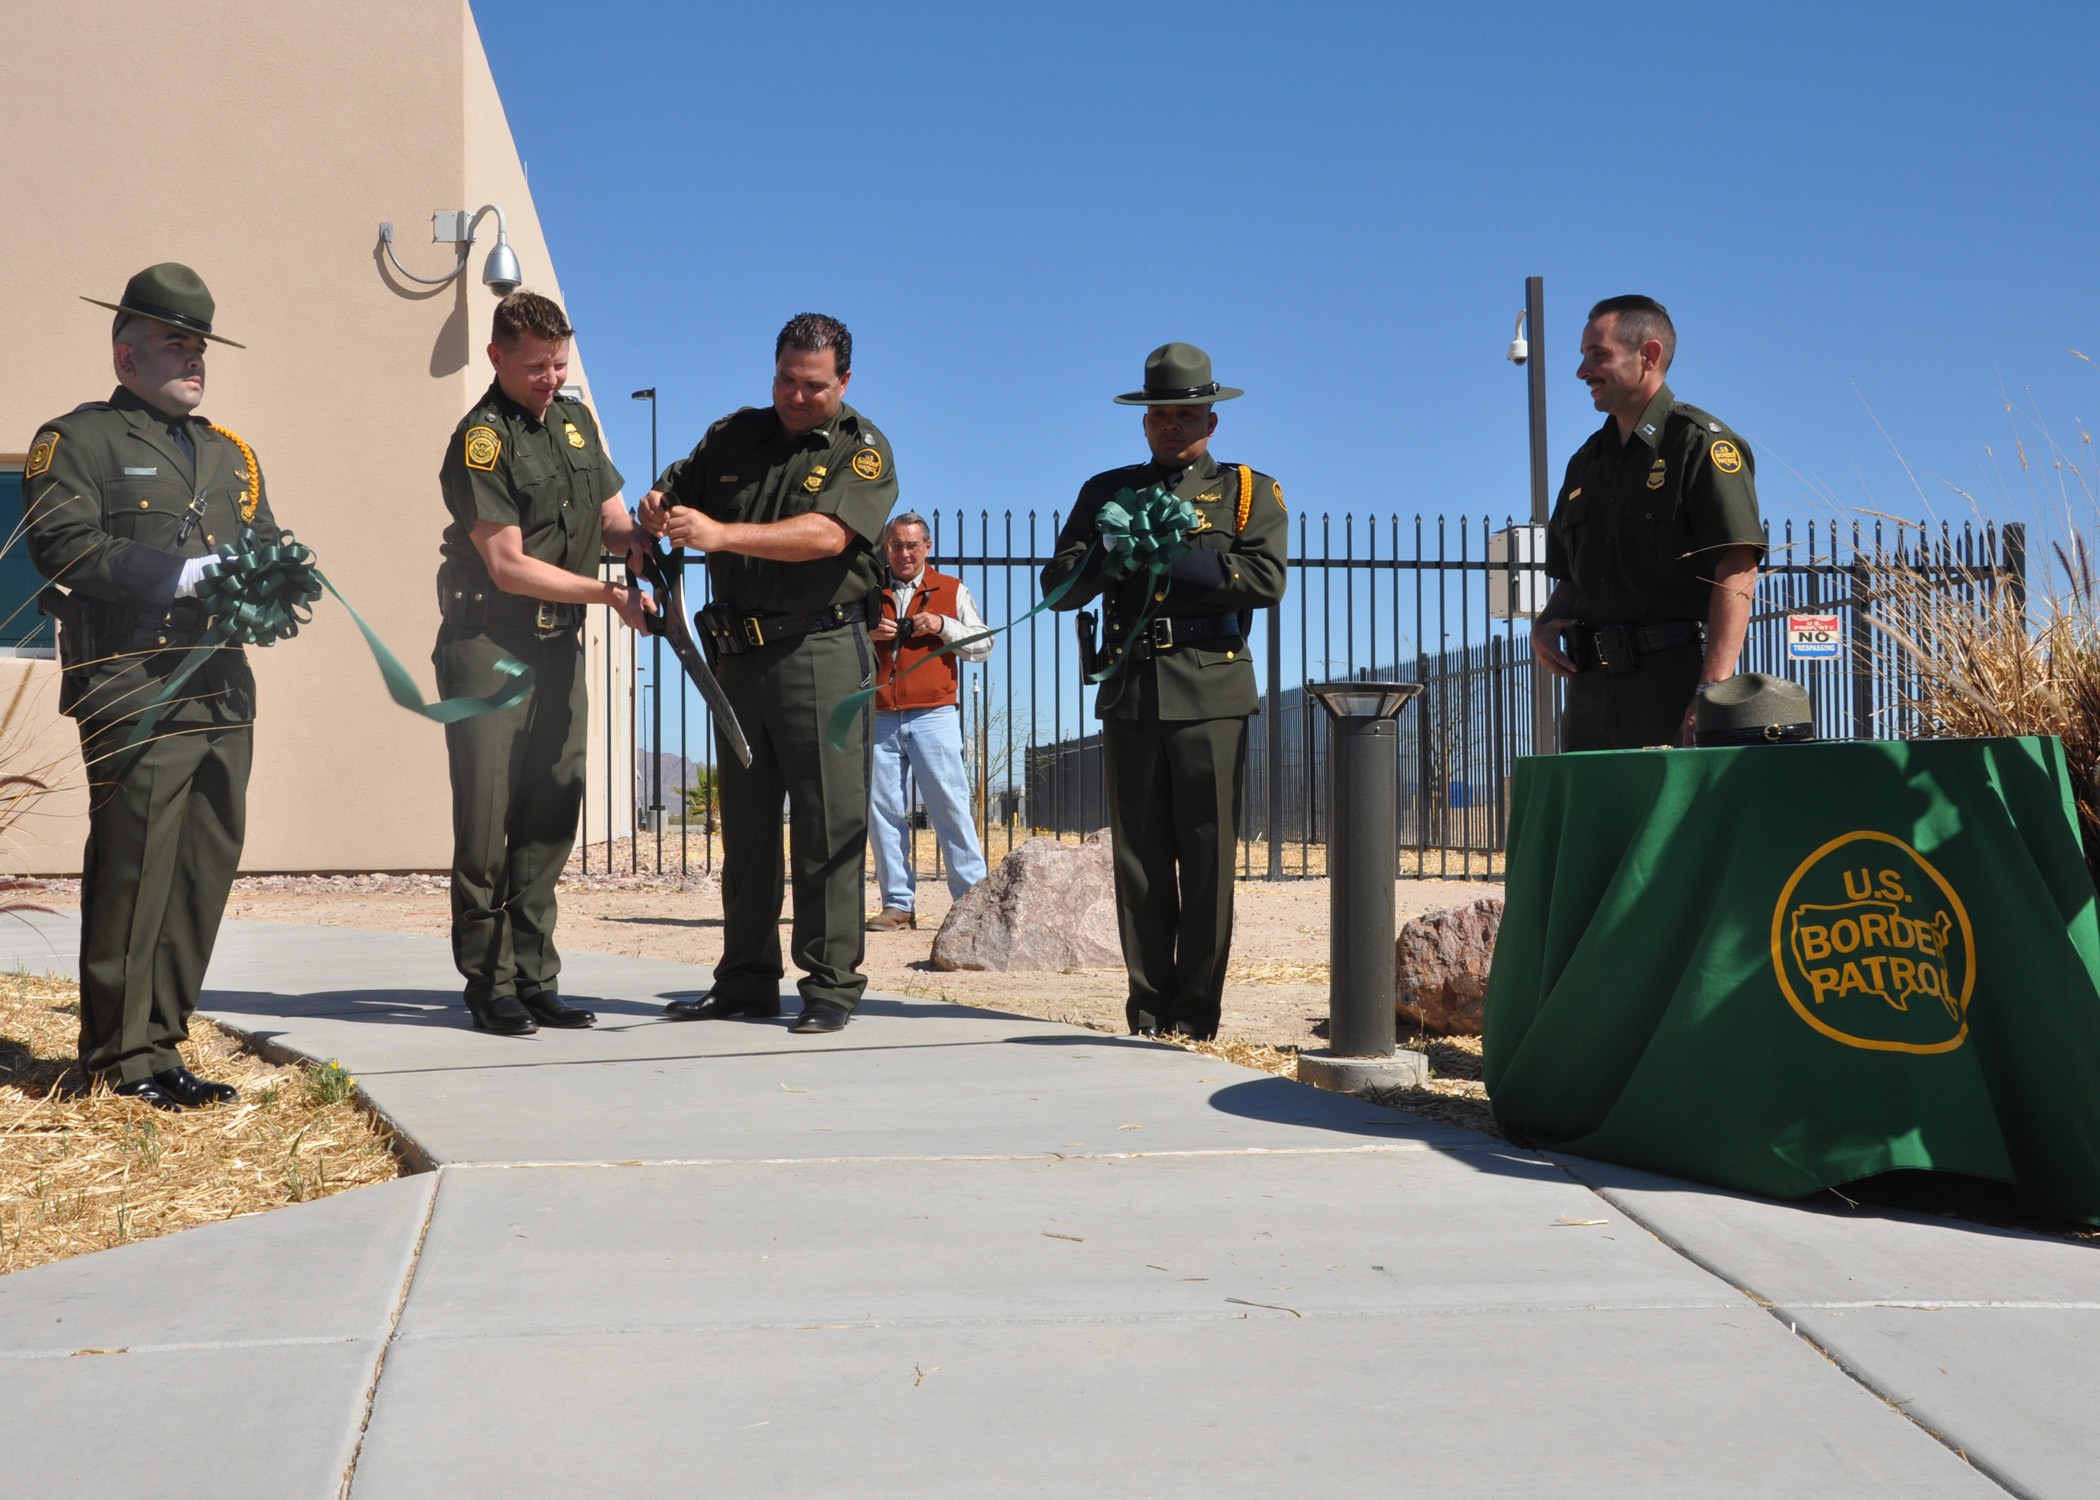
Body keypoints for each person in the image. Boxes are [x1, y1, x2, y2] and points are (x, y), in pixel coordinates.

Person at [21, 263, 277, 1109]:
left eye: (200, 345)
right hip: (132, 679)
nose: (194, 358)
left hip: (219, 684)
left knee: (204, 862)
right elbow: (63, 544)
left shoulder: (229, 453)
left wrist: (273, 578)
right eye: (176, 343)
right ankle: (118, 1058)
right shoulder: (78, 441)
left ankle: (163, 1043)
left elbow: (265, 542)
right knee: (136, 863)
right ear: (127, 357)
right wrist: (181, 576)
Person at [641, 313, 896, 1035]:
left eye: (813, 385)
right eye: (785, 377)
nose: (796, 394)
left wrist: (720, 534)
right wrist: (660, 510)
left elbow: (829, 534)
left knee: (826, 827)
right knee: (748, 830)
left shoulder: (862, 448)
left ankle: (830, 987)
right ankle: (746, 979)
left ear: (843, 382)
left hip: (819, 653)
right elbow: (675, 490)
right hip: (738, 658)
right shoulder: (733, 436)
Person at [1041, 342, 1287, 1042]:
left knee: (1207, 861)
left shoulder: (1247, 491)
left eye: (1183, 414)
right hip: (1133, 689)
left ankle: (1196, 1015)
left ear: (1211, 416)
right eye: (1157, 415)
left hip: (1211, 691)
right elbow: (1057, 588)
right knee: (1140, 864)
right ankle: (1148, 1011)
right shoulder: (1106, 493)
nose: (1169, 426)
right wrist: (1111, 552)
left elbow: (1266, 579)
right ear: (1142, 421)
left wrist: (1174, 554)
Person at [434, 290, 653, 1035]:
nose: (550, 378)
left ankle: (536, 976)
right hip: (491, 648)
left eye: (559, 363)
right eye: (535, 366)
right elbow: (508, 565)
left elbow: (611, 520)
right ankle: (489, 983)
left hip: (559, 645)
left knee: (552, 811)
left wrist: (646, 530)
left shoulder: (575, 422)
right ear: (497, 357)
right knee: (489, 817)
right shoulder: (481, 442)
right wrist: (608, 591)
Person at [1534, 295, 1763, 750]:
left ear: (1649, 356)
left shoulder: (1699, 445)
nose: (1583, 371)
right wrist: (1544, 625)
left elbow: (1737, 569)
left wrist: (1710, 691)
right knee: (1593, 820)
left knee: (1673, 821)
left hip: (1673, 685)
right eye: (1583, 356)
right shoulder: (1585, 464)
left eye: (1598, 355)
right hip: (1590, 691)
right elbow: (1575, 581)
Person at [865, 512, 992, 931]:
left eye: (913, 545)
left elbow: (984, 645)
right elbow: (838, 649)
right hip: (880, 714)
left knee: (950, 806)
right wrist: (868, 637)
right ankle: (898, 904)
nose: (905, 553)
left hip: (935, 713)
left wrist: (942, 625)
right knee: (882, 811)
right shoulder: (868, 591)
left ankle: (972, 901)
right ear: (886, 547)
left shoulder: (952, 590)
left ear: (927, 547)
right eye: (897, 545)